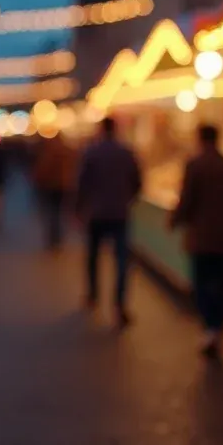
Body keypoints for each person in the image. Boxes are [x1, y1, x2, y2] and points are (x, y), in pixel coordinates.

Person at [170, 124, 223, 356]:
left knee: (201, 283)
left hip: (201, 237)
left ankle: (208, 327)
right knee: (222, 282)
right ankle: (217, 327)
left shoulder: (194, 166)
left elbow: (186, 199)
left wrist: (175, 220)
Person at [74, 116, 141, 327]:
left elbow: (81, 183)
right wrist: (127, 199)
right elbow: (137, 182)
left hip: (96, 212)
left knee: (93, 256)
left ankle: (93, 294)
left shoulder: (91, 152)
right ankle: (119, 304)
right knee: (121, 260)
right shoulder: (127, 153)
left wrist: (79, 208)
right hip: (120, 212)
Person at [33, 134, 77, 250]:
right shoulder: (68, 151)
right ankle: (58, 237)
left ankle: (54, 237)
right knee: (60, 212)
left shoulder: (49, 153)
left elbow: (42, 169)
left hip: (51, 186)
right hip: (64, 186)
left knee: (53, 213)